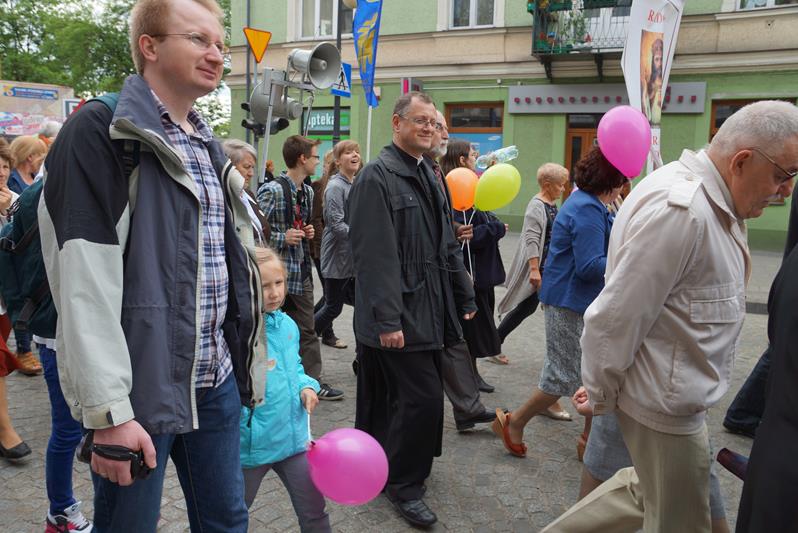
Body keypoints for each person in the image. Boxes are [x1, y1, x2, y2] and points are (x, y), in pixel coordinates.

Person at [39, 0, 266, 530]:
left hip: (213, 378)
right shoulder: (103, 130)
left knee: (227, 522)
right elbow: (83, 280)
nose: (217, 55)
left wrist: (246, 362)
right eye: (198, 40)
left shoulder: (207, 143)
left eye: (220, 44)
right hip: (139, 388)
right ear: (150, 46)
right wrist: (109, 413)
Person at [543, 100, 798, 532]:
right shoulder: (683, 211)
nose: (787, 191)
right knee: (680, 520)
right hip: (666, 410)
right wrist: (601, 393)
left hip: (671, 402)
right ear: (741, 162)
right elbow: (614, 317)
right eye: (783, 175)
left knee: (641, 492)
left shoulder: (714, 201)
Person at [349, 91, 476, 527]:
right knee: (420, 399)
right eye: (420, 120)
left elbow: (446, 244)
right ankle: (404, 484)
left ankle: (388, 464)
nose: (429, 128)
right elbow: (374, 257)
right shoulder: (376, 177)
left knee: (399, 397)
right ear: (397, 123)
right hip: (398, 314)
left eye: (434, 123)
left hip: (430, 307)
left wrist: (464, 295)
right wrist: (387, 319)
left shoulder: (429, 172)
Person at [492, 146, 624, 459]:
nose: (624, 185)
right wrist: (629, 259)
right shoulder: (587, 209)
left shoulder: (591, 204)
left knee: (588, 373)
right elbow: (590, 266)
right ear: (611, 181)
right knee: (565, 376)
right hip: (569, 302)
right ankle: (514, 422)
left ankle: (588, 440)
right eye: (622, 180)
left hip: (574, 301)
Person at [240, 248, 330, 532]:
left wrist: (306, 387)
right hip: (253, 448)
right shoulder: (240, 332)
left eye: (278, 283)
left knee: (314, 510)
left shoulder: (288, 324)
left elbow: (296, 368)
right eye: (264, 285)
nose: (274, 293)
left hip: (294, 441)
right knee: (231, 515)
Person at [258, 135, 343, 401]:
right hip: (274, 275)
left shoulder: (307, 191)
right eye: (315, 157)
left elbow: (301, 224)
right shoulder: (272, 190)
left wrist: (306, 232)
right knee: (269, 329)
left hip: (300, 270)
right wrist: (282, 237)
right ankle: (269, 381)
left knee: (306, 329)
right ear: (302, 158)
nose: (318, 162)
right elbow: (254, 231)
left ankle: (312, 383)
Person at [425, 116, 496, 432]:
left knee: (454, 341)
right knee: (438, 347)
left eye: (441, 127)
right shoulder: (393, 173)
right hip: (422, 280)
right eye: (436, 126)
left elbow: (440, 223)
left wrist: (454, 230)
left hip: (446, 271)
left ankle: (468, 409)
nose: (442, 133)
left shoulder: (436, 174)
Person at [498, 162, 571, 421]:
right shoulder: (536, 206)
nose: (563, 189)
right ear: (547, 185)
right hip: (541, 268)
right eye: (560, 185)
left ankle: (494, 342)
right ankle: (495, 343)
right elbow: (531, 239)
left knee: (526, 308)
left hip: (549, 268)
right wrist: (534, 269)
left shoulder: (551, 204)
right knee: (537, 311)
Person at [444, 139, 506, 394]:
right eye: (472, 154)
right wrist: (497, 229)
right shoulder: (456, 188)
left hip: (480, 272)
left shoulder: (473, 187)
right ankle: (469, 376)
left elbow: (484, 219)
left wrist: (494, 226)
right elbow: (467, 232)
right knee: (471, 329)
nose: (476, 157)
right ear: (462, 160)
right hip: (470, 272)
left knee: (476, 328)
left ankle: (470, 374)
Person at [0, 138, 30, 464]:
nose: (1, 171)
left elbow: (27, 242)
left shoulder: (18, 201)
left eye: (5, 166)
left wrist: (8, 212)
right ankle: (5, 430)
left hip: (6, 297)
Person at [8, 134, 47, 373]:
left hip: (29, 247)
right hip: (19, 247)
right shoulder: (14, 180)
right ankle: (23, 350)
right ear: (30, 156)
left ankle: (24, 348)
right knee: (20, 297)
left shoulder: (32, 178)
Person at [314, 141, 361, 342]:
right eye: (348, 152)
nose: (355, 155)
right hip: (337, 256)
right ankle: (302, 341)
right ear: (338, 161)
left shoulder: (355, 183)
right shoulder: (335, 186)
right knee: (333, 307)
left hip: (352, 257)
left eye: (356, 152)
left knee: (358, 304)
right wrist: (363, 236)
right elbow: (336, 225)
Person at [310, 150, 345, 349]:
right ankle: (324, 333)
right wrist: (319, 248)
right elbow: (316, 220)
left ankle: (311, 328)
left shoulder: (346, 183)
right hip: (324, 249)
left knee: (330, 297)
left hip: (338, 250)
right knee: (331, 299)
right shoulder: (321, 186)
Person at [223, 139, 271, 246]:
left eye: (252, 167)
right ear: (229, 167)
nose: (251, 173)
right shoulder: (223, 199)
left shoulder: (249, 195)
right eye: (247, 167)